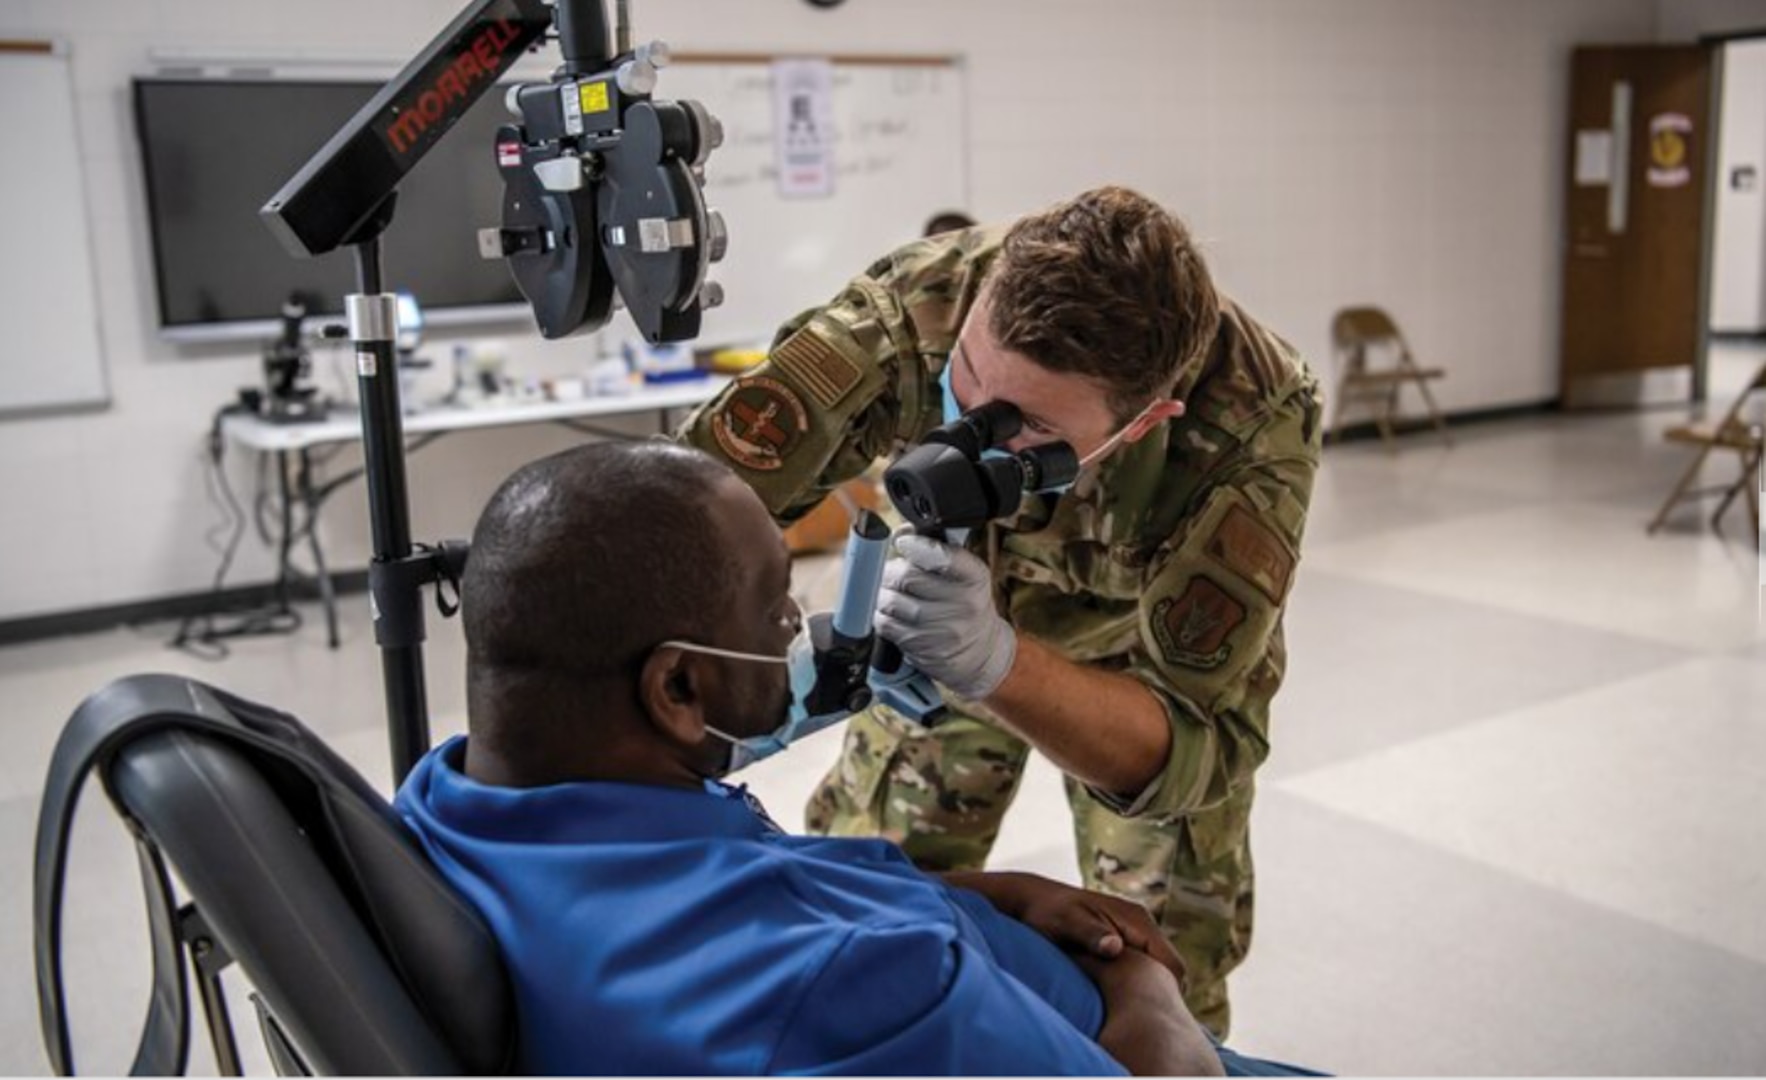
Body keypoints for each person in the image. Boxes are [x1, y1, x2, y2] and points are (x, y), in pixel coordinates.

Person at [394, 441, 1317, 1076]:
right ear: (676, 691)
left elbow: (753, 879)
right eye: (773, 608)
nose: (798, 624)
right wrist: (1146, 985)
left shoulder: (450, 801)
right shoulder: (840, 979)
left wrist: (988, 897)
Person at [678, 186, 1322, 1037]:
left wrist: (1000, 664)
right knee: (866, 912)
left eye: (1026, 427)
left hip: (1125, 669)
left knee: (1160, 971)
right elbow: (674, 520)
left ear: (1145, 422)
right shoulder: (916, 308)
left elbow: (1194, 741)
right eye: (968, 379)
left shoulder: (1250, 422)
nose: (971, 421)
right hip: (932, 623)